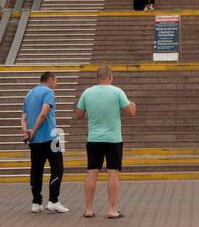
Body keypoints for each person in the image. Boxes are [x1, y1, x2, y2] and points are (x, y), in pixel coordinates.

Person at [74, 66, 136, 218]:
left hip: (94, 139)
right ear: (110, 77)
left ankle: (89, 209)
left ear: (97, 78)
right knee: (113, 172)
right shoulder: (117, 92)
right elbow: (130, 112)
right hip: (113, 139)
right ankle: (112, 210)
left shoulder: (87, 92)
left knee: (92, 172)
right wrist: (133, 105)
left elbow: (79, 114)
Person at [21, 71, 68, 213]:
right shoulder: (48, 92)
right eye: (56, 81)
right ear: (51, 79)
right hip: (51, 137)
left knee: (36, 170)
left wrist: (26, 132)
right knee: (57, 168)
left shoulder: (29, 94)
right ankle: (53, 201)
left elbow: (23, 117)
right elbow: (44, 112)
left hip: (34, 141)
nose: (56, 84)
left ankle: (36, 203)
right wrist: (34, 130)